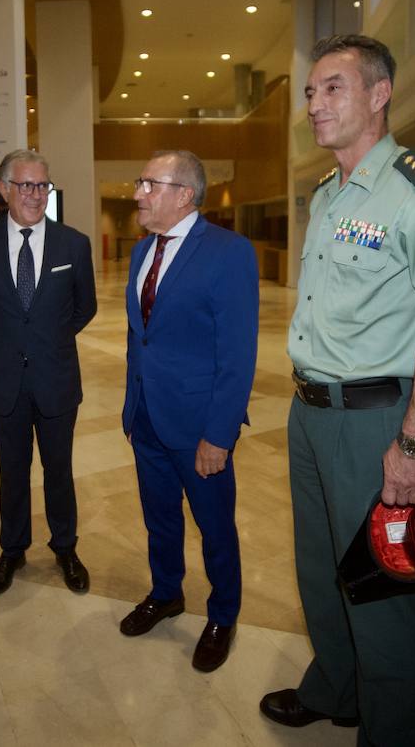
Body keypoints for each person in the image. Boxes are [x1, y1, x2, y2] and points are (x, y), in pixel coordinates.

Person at [262, 35, 415, 745]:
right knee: (321, 570)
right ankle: (338, 687)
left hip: (376, 419)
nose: (314, 105)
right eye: (309, 92)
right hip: (311, 411)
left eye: (332, 88)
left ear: (379, 94)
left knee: (379, 584)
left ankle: (393, 730)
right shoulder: (330, 193)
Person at [119, 150, 258, 673]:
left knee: (214, 526)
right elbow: (141, 340)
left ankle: (223, 614)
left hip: (199, 426)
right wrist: (132, 408)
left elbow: (238, 354)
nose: (138, 193)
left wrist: (219, 435)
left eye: (148, 184)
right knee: (159, 519)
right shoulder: (140, 253)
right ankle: (166, 592)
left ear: (183, 194)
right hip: (149, 420)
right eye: (141, 182)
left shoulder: (229, 252)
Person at [0, 149, 97, 595]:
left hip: (56, 378)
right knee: (11, 471)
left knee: (59, 469)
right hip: (4, 382)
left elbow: (85, 307)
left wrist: (47, 340)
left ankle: (65, 548)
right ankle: (12, 549)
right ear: (4, 189)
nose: (37, 195)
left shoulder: (73, 244)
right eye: (27, 185)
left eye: (43, 185)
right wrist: (7, 343)